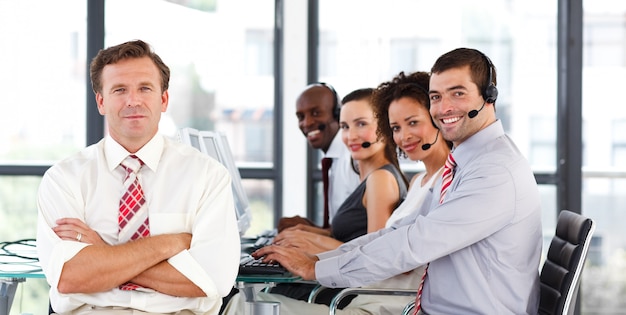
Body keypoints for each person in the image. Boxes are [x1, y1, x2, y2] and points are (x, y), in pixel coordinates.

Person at [252, 47, 543, 314]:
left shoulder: (493, 171)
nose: (443, 109)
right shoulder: (466, 164)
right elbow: (401, 231)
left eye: (458, 93)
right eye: (436, 97)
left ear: (489, 95)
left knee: (252, 306)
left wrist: (317, 269)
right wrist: (320, 262)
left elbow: (415, 243)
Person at [36, 40, 240, 315]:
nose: (133, 100)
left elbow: (212, 279)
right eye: (119, 90)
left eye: (145, 88)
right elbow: (71, 276)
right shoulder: (64, 179)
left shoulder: (208, 176)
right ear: (101, 101)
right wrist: (170, 243)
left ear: (163, 99)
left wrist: (104, 253)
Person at [221, 71, 451, 315]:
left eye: (413, 122)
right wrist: (312, 256)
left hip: (378, 304)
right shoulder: (419, 182)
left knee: (240, 305)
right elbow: (377, 242)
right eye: (396, 127)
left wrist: (314, 261)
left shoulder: (446, 185)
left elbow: (396, 257)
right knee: (242, 300)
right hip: (361, 296)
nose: (403, 136)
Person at [264, 87, 409, 307]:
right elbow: (356, 236)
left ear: (385, 126)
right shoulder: (370, 177)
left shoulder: (381, 180)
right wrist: (307, 233)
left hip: (354, 294)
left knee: (254, 296)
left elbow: (373, 256)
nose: (351, 136)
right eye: (344, 127)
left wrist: (313, 243)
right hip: (347, 286)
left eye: (361, 124)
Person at [277, 83, 361, 232]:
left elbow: (365, 235)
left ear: (337, 114)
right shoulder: (334, 160)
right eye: (301, 117)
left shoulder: (353, 159)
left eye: (316, 113)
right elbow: (346, 230)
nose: (307, 123)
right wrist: (309, 228)